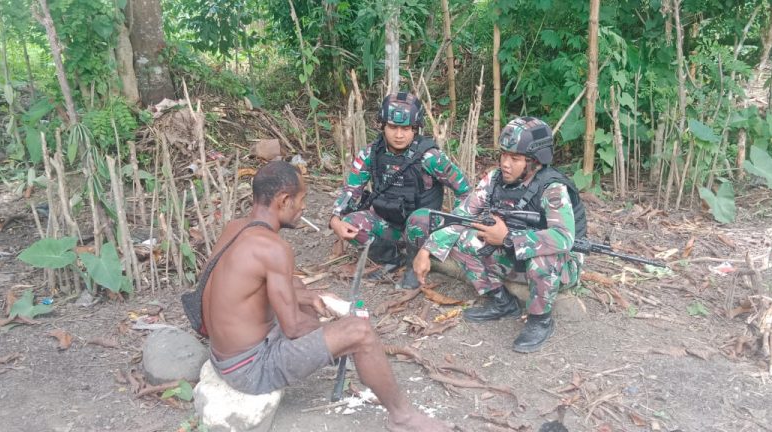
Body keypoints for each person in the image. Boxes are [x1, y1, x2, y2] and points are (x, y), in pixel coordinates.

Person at [202, 161, 450, 432]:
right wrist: (338, 330)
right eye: (301, 199)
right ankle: (402, 417)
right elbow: (295, 328)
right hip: (249, 368)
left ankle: (338, 336)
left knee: (300, 291)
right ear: (284, 200)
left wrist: (310, 296)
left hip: (224, 354)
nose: (303, 207)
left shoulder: (236, 227)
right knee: (360, 333)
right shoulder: (273, 248)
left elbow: (252, 287)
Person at [412, 117, 587, 353]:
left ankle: (540, 320)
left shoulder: (553, 188)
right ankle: (501, 301)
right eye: (503, 155)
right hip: (514, 256)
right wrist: (427, 249)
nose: (505, 163)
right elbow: (463, 216)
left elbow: (563, 238)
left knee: (544, 255)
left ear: (535, 162)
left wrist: (508, 238)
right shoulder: (494, 180)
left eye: (515, 159)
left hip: (561, 266)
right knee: (463, 238)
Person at [329, 92, 471, 289]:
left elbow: (465, 191)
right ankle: (393, 259)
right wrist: (335, 219)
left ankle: (414, 266)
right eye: (392, 127)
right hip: (389, 223)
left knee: (419, 219)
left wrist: (450, 231)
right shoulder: (371, 153)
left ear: (415, 129)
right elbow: (351, 190)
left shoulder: (430, 157)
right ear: (383, 126)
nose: (398, 134)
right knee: (352, 223)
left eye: (405, 128)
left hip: (422, 229)